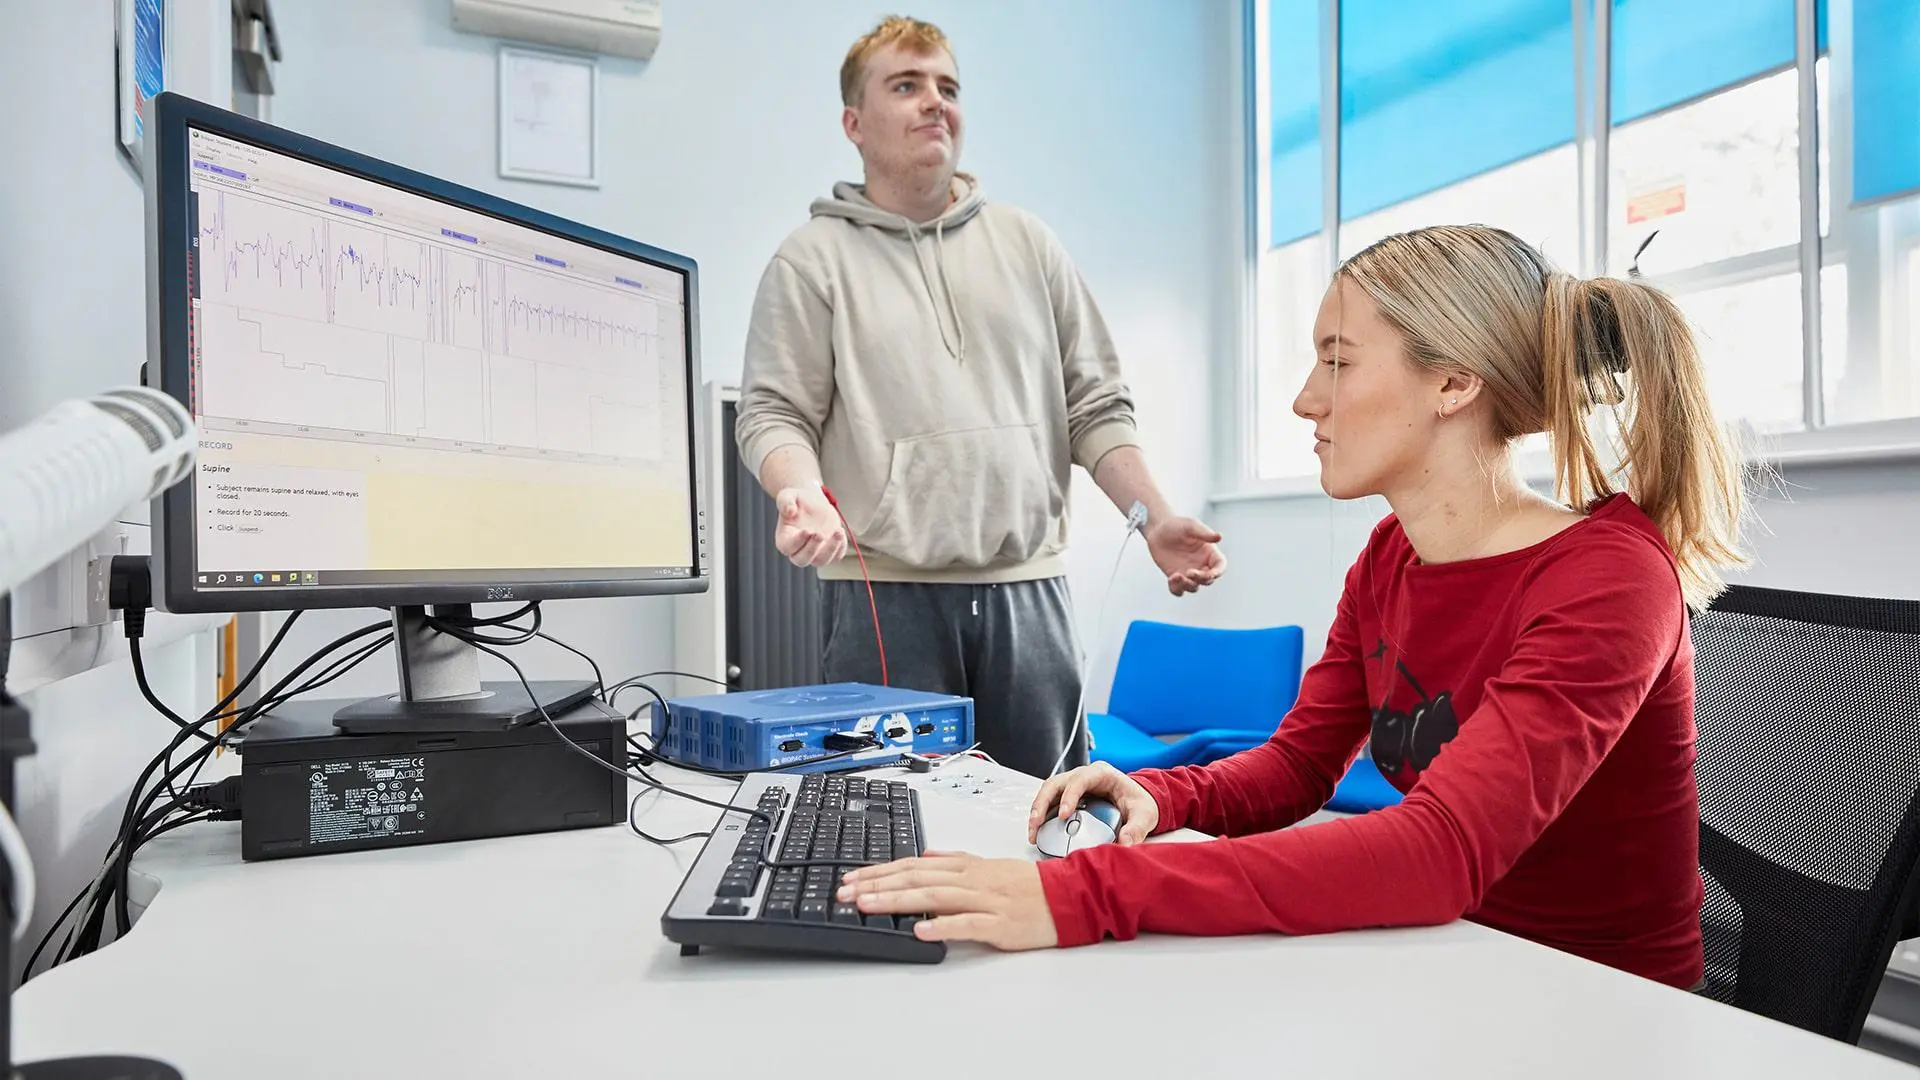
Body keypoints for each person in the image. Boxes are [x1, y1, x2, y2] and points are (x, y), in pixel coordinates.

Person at [837, 224, 1748, 990]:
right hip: (1448, 962)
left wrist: (1087, 894)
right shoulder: (1391, 557)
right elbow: (1299, 766)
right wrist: (1159, 791)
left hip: (1596, 1007)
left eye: (1338, 363)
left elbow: (1436, 853)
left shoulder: (1608, 579)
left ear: (1453, 382)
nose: (1306, 400)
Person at [735, 15, 1225, 779]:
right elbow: (774, 412)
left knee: (1051, 817)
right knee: (893, 821)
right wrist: (799, 491)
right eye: (907, 85)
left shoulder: (1030, 244)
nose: (935, 101)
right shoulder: (810, 261)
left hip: (1030, 591)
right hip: (883, 598)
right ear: (854, 124)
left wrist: (1155, 517)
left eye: (948, 88)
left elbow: (1096, 406)